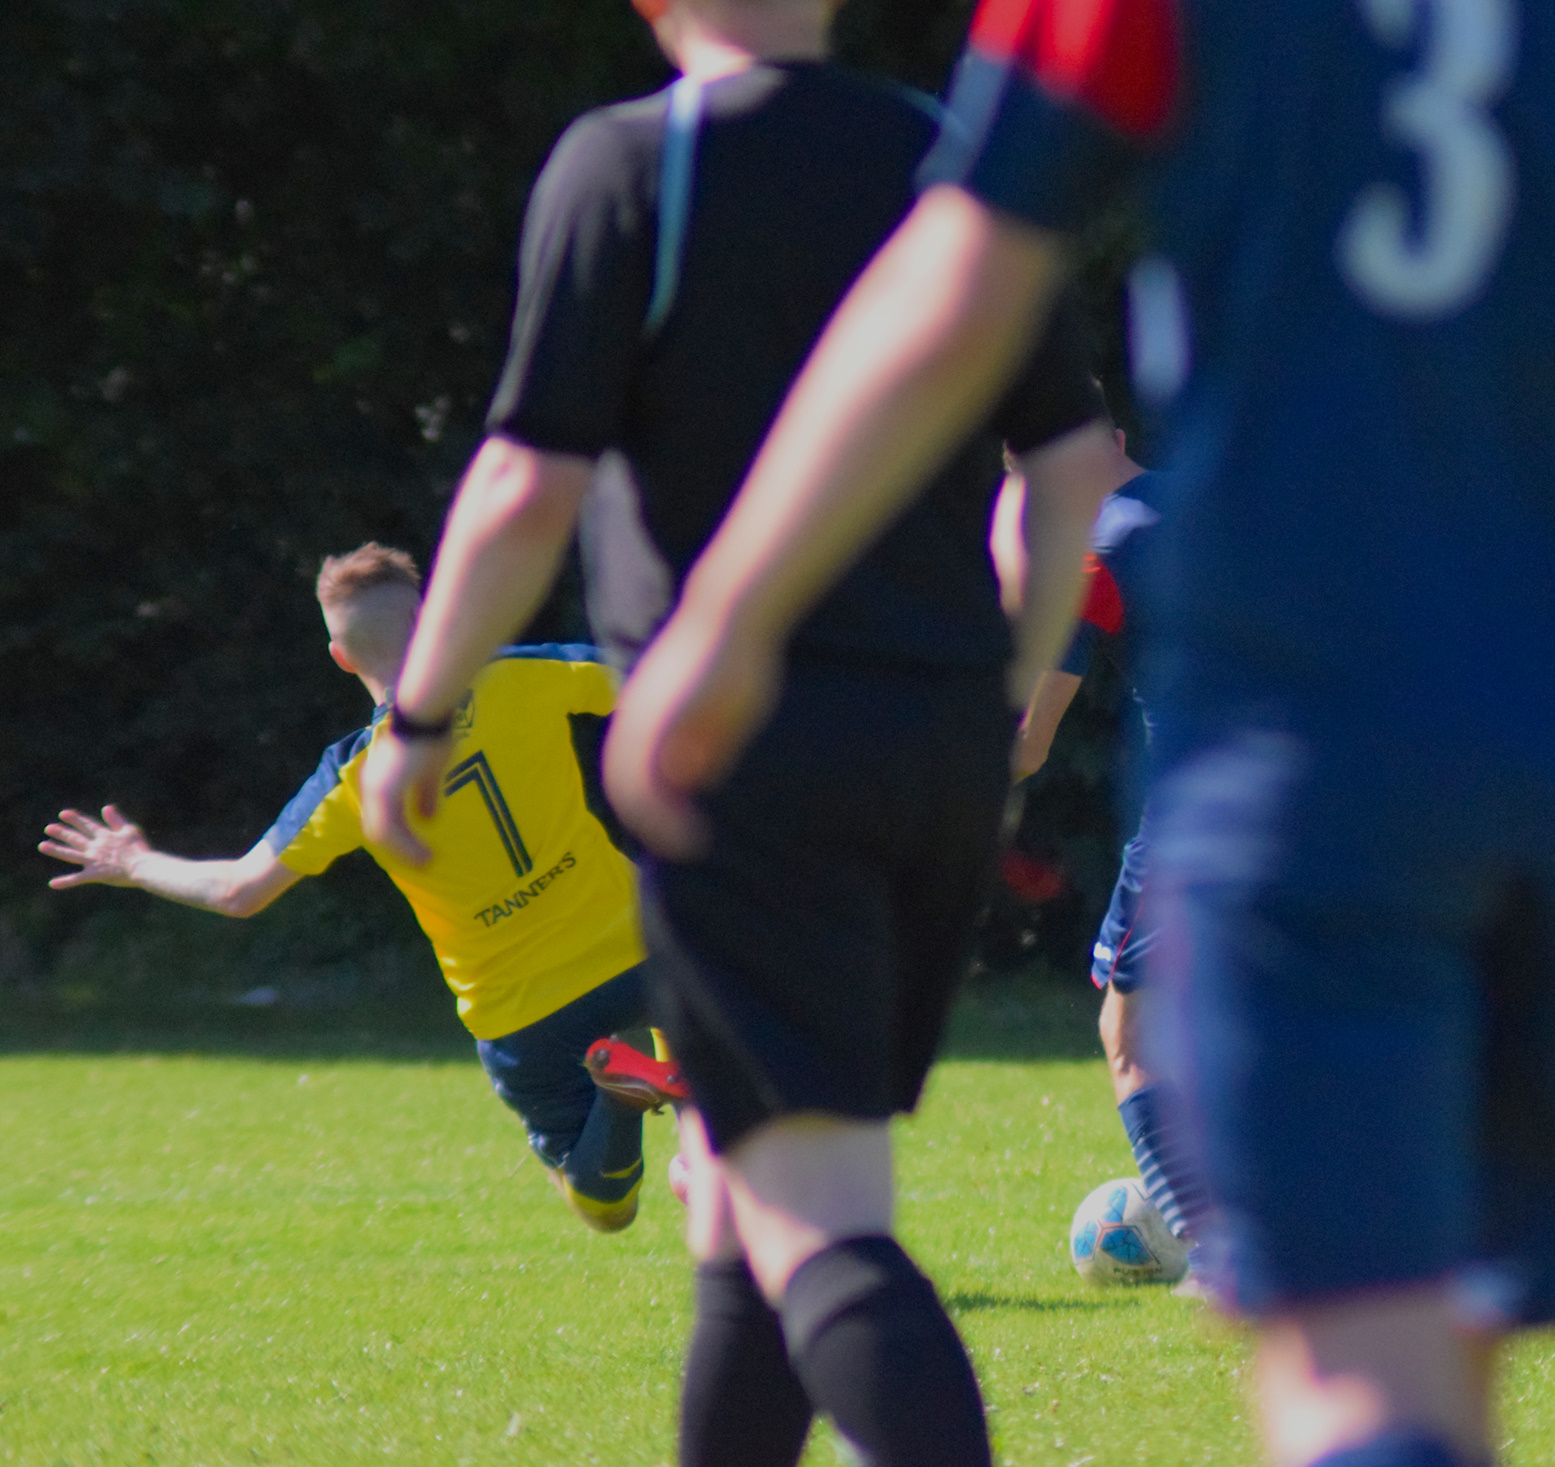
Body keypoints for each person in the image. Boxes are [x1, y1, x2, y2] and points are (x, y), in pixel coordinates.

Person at [596, 3, 1555, 1466]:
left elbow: (957, 282)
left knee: (1349, 1371)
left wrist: (730, 609)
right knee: (1449, 1365)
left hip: (1303, 729)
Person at [348, 1, 1120, 1463]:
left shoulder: (636, 163)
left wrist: (420, 715)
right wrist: (1006, 700)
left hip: (739, 752)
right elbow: (1069, 463)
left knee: (814, 1209)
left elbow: (526, 480)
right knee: (738, 1191)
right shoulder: (950, 157)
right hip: (936, 751)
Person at [39, 543, 665, 1233]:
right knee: (736, 1075)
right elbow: (657, 680)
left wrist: (134, 862)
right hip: (644, 952)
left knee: (604, 1206)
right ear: (429, 618)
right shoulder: (516, 674)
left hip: (521, 1012)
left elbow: (238, 890)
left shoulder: (352, 776)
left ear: (339, 655)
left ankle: (622, 1095)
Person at [1011, 463, 1210, 1253]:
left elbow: (1026, 747)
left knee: (1129, 1033)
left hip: (1208, 794)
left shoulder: (1090, 556)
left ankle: (1212, 1251)